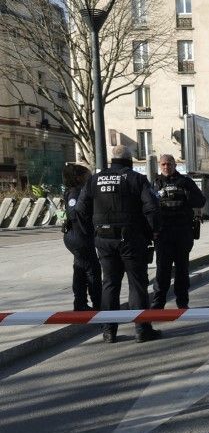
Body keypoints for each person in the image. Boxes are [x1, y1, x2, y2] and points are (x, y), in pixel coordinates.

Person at [75, 144, 161, 343]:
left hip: (103, 240)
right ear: (130, 160)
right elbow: (152, 208)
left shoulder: (94, 180)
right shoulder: (136, 179)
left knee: (110, 284)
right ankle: (142, 329)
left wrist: (90, 233)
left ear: (112, 160)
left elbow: (80, 210)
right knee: (137, 284)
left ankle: (108, 331)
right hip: (131, 239)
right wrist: (152, 232)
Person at [152, 154, 206, 310]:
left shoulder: (185, 182)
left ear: (175, 165)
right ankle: (158, 303)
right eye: (163, 164)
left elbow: (201, 201)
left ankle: (182, 302)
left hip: (182, 232)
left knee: (182, 270)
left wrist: (188, 194)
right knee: (162, 270)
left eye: (169, 164)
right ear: (159, 166)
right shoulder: (155, 184)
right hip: (163, 234)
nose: (166, 167)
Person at [61, 163, 101, 311]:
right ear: (78, 178)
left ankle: (80, 303)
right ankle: (97, 303)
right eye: (87, 177)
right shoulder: (76, 192)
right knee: (92, 269)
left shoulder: (77, 191)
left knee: (80, 268)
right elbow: (74, 212)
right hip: (79, 236)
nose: (90, 179)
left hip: (77, 235)